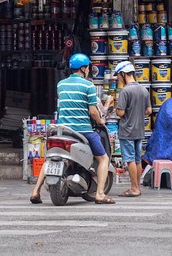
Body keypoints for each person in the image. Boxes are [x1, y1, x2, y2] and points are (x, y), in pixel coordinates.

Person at [30, 53, 115, 205]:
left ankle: (36, 192)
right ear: (83, 68)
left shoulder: (61, 84)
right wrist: (100, 121)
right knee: (103, 159)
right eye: (88, 67)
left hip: (62, 129)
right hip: (82, 130)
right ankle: (100, 194)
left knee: (49, 158)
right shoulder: (88, 85)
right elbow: (93, 111)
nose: (88, 70)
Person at [113, 60, 151, 198]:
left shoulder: (125, 91)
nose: (118, 79)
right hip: (139, 130)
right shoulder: (143, 90)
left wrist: (116, 109)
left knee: (129, 160)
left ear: (123, 74)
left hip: (127, 131)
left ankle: (134, 188)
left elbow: (121, 113)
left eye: (118, 76)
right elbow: (149, 110)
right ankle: (137, 187)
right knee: (137, 159)